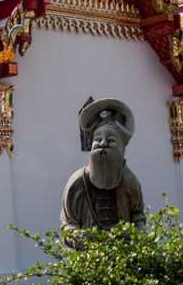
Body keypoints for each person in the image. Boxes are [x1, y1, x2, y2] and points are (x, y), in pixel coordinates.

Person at [60, 98, 146, 248]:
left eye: (111, 140)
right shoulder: (78, 182)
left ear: (122, 149)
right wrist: (78, 236)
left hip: (123, 257)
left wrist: (134, 234)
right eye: (98, 139)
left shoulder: (129, 181)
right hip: (89, 260)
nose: (103, 144)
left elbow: (138, 217)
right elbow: (68, 225)